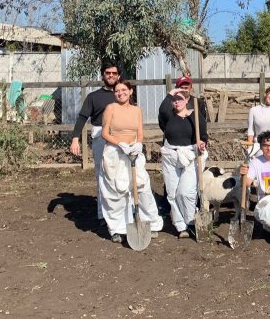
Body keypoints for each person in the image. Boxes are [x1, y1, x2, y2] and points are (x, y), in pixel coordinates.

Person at [100, 79, 163, 243]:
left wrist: (138, 145)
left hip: (133, 152)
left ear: (130, 91)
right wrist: (119, 144)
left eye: (123, 90)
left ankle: (151, 223)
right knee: (116, 191)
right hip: (116, 153)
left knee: (142, 188)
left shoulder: (137, 110)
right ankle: (116, 228)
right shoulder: (111, 108)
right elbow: (105, 133)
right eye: (117, 91)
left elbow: (140, 132)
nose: (120, 93)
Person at [70, 61, 120, 225]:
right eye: (108, 73)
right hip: (100, 137)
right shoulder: (93, 97)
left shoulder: (122, 94)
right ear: (103, 75)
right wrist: (75, 138)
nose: (111, 76)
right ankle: (103, 215)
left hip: (120, 137)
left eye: (113, 73)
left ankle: (123, 212)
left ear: (118, 76)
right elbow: (83, 117)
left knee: (122, 175)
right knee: (102, 175)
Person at [158, 88, 208, 239]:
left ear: (187, 100)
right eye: (174, 99)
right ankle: (181, 226)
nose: (177, 101)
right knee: (172, 194)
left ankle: (191, 221)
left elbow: (204, 135)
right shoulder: (168, 116)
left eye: (180, 99)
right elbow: (162, 109)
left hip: (190, 155)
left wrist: (202, 143)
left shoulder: (195, 115)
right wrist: (172, 92)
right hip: (170, 155)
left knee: (186, 192)